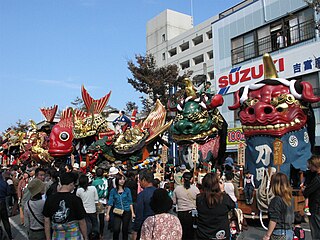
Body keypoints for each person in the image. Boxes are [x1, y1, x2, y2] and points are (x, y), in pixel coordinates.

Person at [42, 172, 88, 240]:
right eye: (74, 185)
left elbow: (46, 220)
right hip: (73, 234)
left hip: (57, 234)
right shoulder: (76, 199)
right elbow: (81, 221)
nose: (74, 187)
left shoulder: (50, 199)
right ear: (71, 183)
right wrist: (85, 237)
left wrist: (48, 238)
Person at [196, 172, 235, 240]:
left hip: (203, 234)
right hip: (221, 234)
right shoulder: (224, 198)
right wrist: (222, 191)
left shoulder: (199, 198)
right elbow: (232, 205)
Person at [263, 172, 294, 240]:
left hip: (279, 233)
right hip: (289, 231)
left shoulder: (276, 200)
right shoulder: (290, 198)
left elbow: (274, 219)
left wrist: (267, 235)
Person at [106, 173, 135, 240]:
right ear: (117, 180)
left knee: (125, 229)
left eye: (123, 179)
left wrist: (132, 212)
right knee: (116, 229)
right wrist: (107, 214)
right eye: (120, 179)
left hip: (126, 211)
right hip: (117, 211)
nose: (122, 181)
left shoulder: (127, 190)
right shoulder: (113, 191)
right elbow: (110, 202)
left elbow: (130, 202)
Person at [172, 171, 200, 240]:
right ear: (191, 179)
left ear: (182, 179)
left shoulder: (177, 189)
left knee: (183, 232)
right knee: (192, 233)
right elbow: (199, 201)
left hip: (181, 213)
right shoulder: (195, 189)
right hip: (193, 213)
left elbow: (174, 202)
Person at [132, 169, 157, 240]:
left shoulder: (142, 195)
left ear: (144, 180)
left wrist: (135, 230)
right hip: (159, 226)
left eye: (139, 180)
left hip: (145, 228)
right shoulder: (159, 192)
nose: (139, 182)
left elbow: (139, 215)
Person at [76, 174, 99, 239]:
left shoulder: (79, 190)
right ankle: (95, 237)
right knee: (95, 225)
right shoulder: (93, 188)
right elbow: (96, 199)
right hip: (92, 210)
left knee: (86, 226)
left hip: (83, 211)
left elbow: (78, 202)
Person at [303, 155, 320, 240]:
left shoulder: (317, 178)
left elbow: (307, 191)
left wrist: (304, 190)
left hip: (316, 207)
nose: (309, 167)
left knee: (316, 232)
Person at [91, 167, 108, 239]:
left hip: (97, 201)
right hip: (103, 200)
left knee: (95, 218)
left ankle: (95, 234)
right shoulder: (105, 180)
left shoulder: (94, 182)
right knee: (101, 218)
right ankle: (101, 233)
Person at [0, 171, 13, 240]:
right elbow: (8, 193)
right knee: (5, 221)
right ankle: (10, 236)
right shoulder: (4, 183)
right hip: (2, 202)